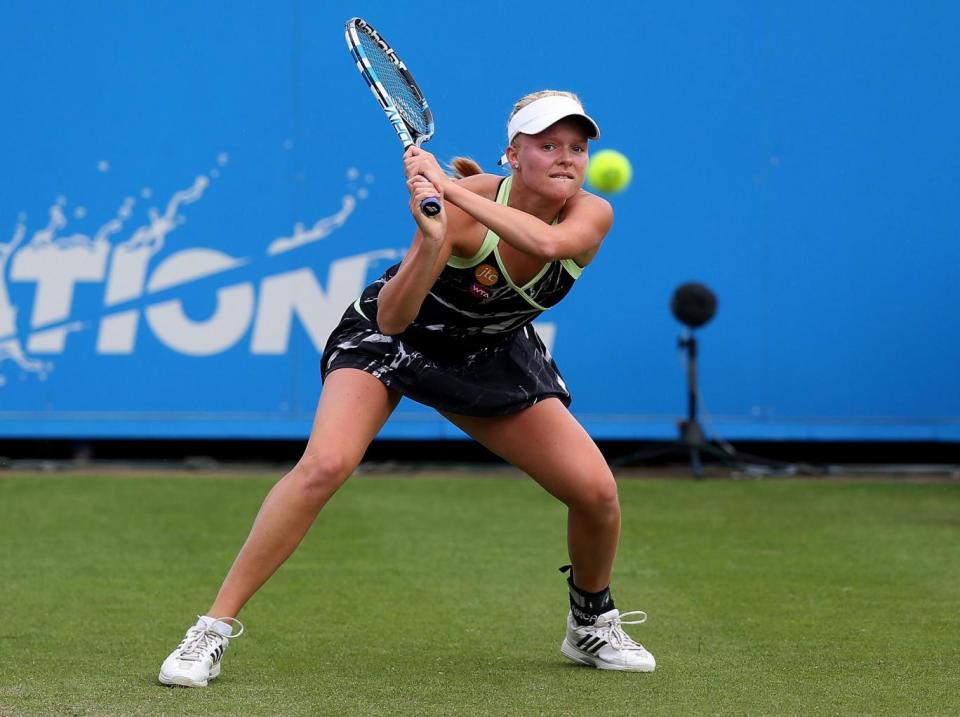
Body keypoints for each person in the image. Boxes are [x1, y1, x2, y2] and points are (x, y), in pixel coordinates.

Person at [158, 90, 656, 687]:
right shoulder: (462, 209)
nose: (566, 157)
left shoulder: (591, 213)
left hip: (487, 354)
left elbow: (546, 245)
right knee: (324, 466)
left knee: (597, 492)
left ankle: (590, 623)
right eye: (547, 145)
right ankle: (209, 631)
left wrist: (446, 188)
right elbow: (393, 320)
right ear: (512, 156)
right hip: (392, 338)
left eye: (577, 147)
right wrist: (431, 236)